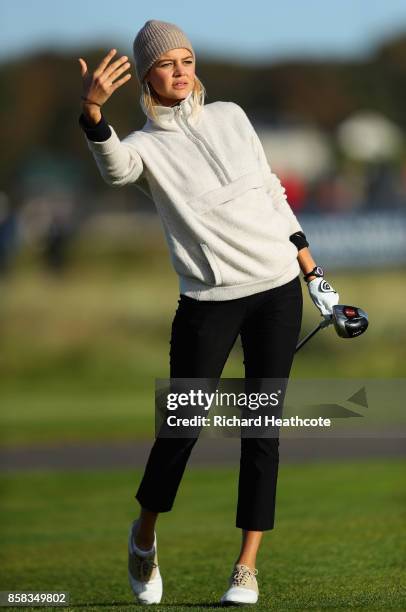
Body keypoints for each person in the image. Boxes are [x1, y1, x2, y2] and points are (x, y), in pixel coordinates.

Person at [78, 19, 339, 606]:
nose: (181, 71)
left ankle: (245, 568)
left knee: (262, 432)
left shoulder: (232, 115)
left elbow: (270, 189)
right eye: (168, 64)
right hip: (208, 302)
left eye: (188, 60)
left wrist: (308, 263)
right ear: (147, 78)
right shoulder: (144, 146)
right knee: (181, 431)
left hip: (277, 288)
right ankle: (143, 537)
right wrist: (94, 114)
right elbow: (115, 168)